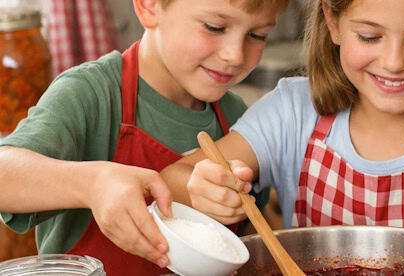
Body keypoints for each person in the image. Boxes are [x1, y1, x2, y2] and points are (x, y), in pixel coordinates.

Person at [160, 0, 404, 275]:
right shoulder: (293, 112)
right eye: (370, 36)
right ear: (333, 20)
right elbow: (172, 180)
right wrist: (202, 188)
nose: (393, 61)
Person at [0, 0, 288, 274]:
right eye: (214, 27)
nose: (235, 55)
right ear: (149, 6)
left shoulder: (237, 117)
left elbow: (251, 233)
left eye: (256, 34)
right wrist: (92, 183)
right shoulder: (91, 95)